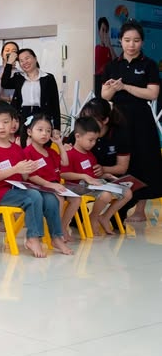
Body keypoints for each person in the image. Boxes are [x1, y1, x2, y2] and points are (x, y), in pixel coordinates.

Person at [0, 101, 66, 258]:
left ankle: (56, 237)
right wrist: (15, 169)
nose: (2, 127)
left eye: (6, 122)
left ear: (13, 124)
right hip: (0, 193)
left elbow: (24, 176)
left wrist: (29, 169)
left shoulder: (16, 149)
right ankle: (33, 238)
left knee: (51, 198)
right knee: (33, 196)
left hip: (19, 189)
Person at [101, 20, 162, 222]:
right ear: (120, 41)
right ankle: (118, 208)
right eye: (127, 40)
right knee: (122, 161)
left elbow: (152, 94)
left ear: (142, 42)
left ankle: (140, 211)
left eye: (136, 40)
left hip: (142, 120)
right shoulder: (112, 66)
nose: (131, 44)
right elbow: (104, 96)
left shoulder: (149, 64)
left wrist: (125, 87)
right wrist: (112, 88)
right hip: (118, 119)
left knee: (144, 161)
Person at [61, 116, 131, 235]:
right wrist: (83, 176)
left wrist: (106, 175)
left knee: (128, 193)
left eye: (95, 140)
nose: (93, 143)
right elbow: (63, 174)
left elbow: (93, 174)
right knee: (105, 195)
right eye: (90, 140)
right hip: (77, 186)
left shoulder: (90, 155)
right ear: (77, 136)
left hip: (93, 185)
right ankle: (93, 218)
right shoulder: (69, 153)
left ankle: (105, 217)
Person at [23, 113, 79, 247]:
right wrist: (50, 185)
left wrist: (59, 144)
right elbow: (31, 176)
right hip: (38, 187)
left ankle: (62, 227)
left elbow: (65, 162)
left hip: (54, 185)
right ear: (30, 132)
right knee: (58, 198)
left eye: (48, 131)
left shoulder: (50, 151)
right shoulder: (27, 152)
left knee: (76, 199)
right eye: (40, 130)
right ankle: (56, 234)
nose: (44, 134)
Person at [1, 48, 61, 146]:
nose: (25, 62)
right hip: (22, 116)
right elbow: (4, 83)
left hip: (42, 115)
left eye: (27, 58)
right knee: (22, 146)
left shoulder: (48, 78)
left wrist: (57, 127)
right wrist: (9, 64)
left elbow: (55, 103)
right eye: (21, 61)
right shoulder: (19, 77)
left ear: (35, 58)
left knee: (42, 146)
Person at [94, 17, 115, 96]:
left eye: (106, 31)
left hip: (109, 81)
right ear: (98, 32)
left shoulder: (109, 49)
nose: (104, 34)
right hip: (98, 80)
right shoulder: (96, 48)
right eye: (103, 30)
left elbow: (116, 63)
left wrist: (109, 45)